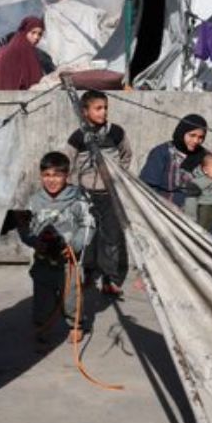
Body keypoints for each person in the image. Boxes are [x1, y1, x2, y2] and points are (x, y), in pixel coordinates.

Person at [17, 152, 96, 344]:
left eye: (57, 175)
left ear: (66, 175)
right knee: (42, 297)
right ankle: (42, 325)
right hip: (43, 259)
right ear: (41, 175)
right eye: (47, 175)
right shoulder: (34, 200)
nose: (51, 180)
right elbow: (24, 226)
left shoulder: (79, 199)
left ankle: (75, 324)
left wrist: (74, 245)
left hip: (70, 261)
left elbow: (88, 225)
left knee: (71, 296)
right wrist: (34, 241)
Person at [62, 90, 132, 297]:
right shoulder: (78, 136)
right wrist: (72, 187)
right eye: (98, 108)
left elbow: (126, 155)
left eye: (105, 108)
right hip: (86, 195)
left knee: (112, 237)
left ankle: (111, 279)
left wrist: (118, 176)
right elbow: (67, 161)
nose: (103, 112)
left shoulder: (116, 133)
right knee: (88, 236)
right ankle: (89, 274)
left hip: (110, 194)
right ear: (85, 112)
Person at [139, 113, 210, 209]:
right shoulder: (162, 152)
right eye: (192, 135)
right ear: (182, 132)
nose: (196, 141)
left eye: (200, 137)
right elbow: (147, 186)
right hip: (163, 208)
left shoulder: (205, 157)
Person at [0, 16, 47, 90]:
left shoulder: (12, 44)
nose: (36, 37)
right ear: (25, 32)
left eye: (40, 34)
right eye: (33, 33)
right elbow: (35, 79)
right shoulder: (24, 48)